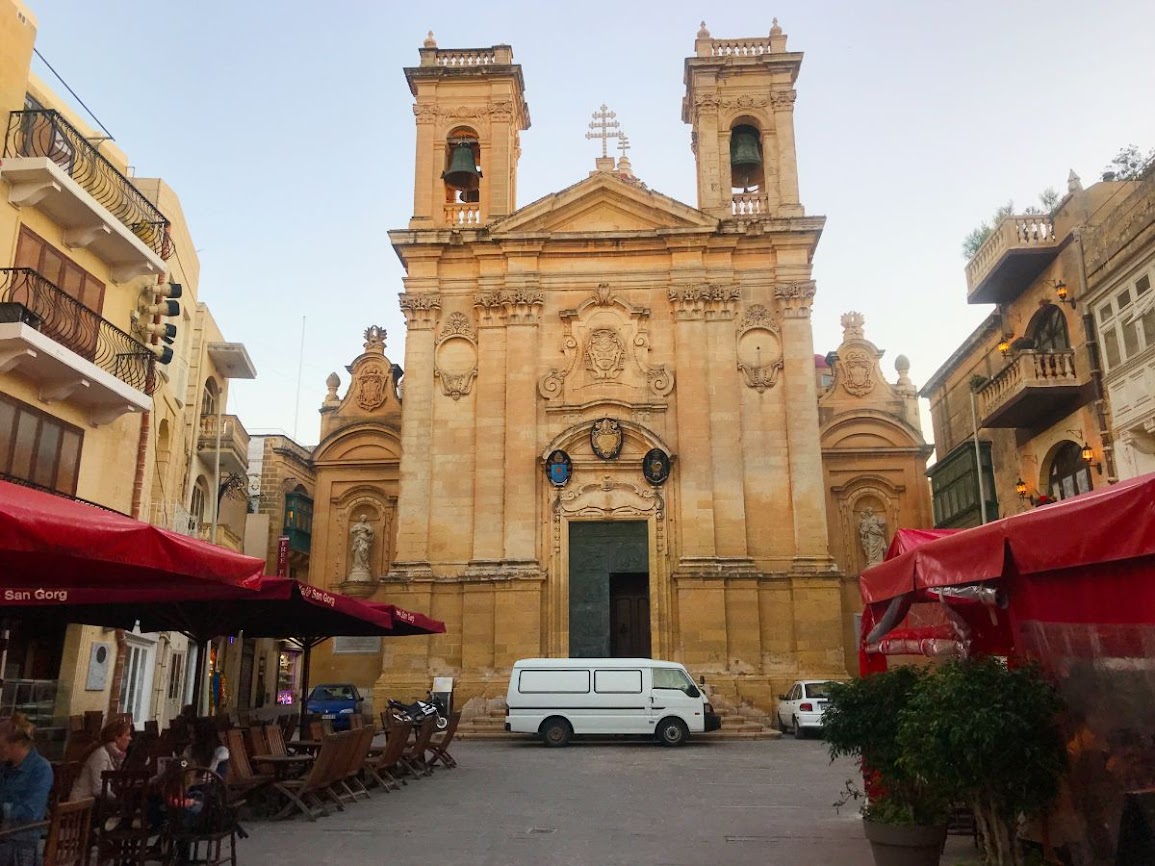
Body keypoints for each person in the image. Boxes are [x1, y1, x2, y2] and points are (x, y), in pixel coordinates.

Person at [0, 713, 53, 866]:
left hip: (21, 841)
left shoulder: (41, 769)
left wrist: (5, 809)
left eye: (1, 746)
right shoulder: (5, 767)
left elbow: (31, 811)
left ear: (16, 744)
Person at [70, 718, 133, 802]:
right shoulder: (100, 754)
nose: (130, 738)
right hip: (81, 806)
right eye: (127, 735)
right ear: (117, 738)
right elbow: (99, 789)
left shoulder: (112, 754)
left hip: (93, 803)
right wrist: (117, 799)